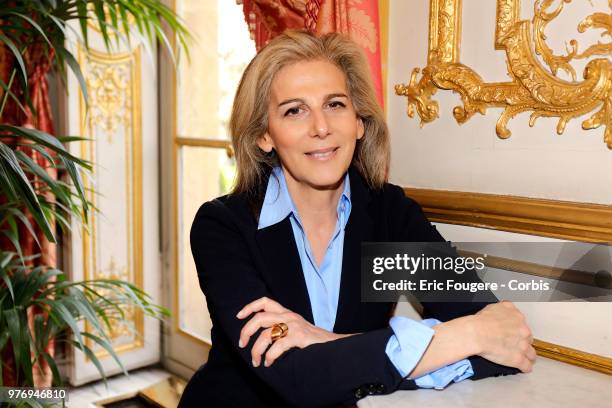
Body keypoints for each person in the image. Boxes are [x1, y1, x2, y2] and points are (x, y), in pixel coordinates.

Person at [178, 30, 535, 408]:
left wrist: (323, 342)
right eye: (294, 110)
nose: (321, 127)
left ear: (359, 122)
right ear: (265, 135)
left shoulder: (388, 213)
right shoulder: (223, 227)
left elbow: (504, 345)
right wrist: (461, 337)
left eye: (335, 105)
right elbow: (295, 379)